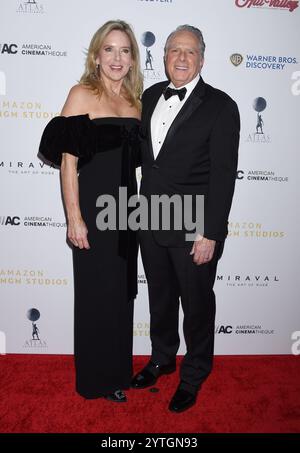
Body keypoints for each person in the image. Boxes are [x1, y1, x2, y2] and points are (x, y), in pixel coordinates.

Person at [131, 25, 240, 412]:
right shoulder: (147, 96)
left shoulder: (221, 106)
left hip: (195, 226)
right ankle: (162, 358)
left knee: (196, 305)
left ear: (202, 59)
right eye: (174, 50)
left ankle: (193, 375)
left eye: (189, 52)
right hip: (150, 219)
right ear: (163, 56)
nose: (180, 58)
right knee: (160, 300)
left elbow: (224, 176)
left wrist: (210, 233)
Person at [39, 20, 142, 402]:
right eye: (109, 49)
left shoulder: (136, 102)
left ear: (133, 60)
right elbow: (68, 162)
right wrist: (74, 217)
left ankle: (118, 373)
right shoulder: (82, 94)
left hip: (127, 208)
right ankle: (94, 380)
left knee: (121, 293)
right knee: (96, 294)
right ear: (97, 55)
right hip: (94, 210)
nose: (117, 58)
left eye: (125, 50)